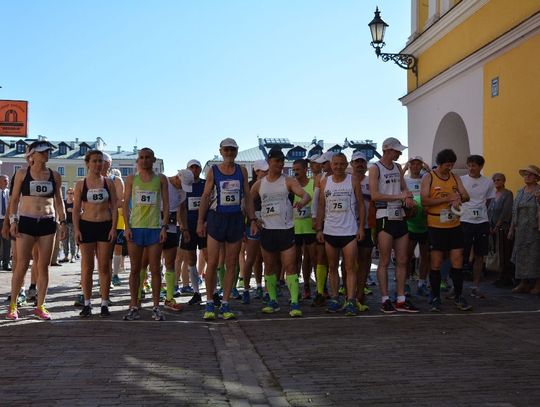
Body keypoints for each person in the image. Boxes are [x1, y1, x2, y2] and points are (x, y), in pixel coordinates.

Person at [6, 140, 67, 321]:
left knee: (43, 267)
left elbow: (59, 200)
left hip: (47, 223)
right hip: (26, 221)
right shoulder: (22, 174)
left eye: (48, 151)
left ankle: (40, 305)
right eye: (42, 152)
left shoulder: (54, 175)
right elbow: (15, 199)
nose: (46, 155)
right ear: (32, 155)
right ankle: (13, 305)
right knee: (22, 265)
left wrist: (62, 222)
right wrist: (13, 221)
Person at [197, 138, 256, 320]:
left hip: (236, 220)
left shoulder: (242, 171)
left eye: (232, 150)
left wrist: (252, 219)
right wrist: (200, 221)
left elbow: (247, 196)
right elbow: (206, 196)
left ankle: (225, 302)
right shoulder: (213, 171)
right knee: (213, 263)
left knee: (231, 264)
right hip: (217, 219)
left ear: (236, 152)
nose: (229, 153)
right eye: (226, 150)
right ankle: (209, 302)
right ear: (221, 151)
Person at [250, 147, 311, 317]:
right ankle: (273, 301)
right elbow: (247, 199)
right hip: (268, 230)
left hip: (285, 230)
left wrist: (302, 202)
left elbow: (306, 195)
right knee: (269, 266)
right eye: (277, 161)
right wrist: (254, 218)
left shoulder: (288, 181)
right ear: (269, 162)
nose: (280, 163)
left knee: (290, 266)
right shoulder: (260, 183)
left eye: (282, 161)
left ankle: (294, 302)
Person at [369, 137, 418, 313]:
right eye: (397, 151)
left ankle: (401, 298)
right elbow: (375, 195)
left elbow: (404, 189)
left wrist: (409, 198)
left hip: (399, 216)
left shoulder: (398, 167)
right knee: (384, 260)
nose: (400, 153)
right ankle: (384, 299)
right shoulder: (375, 168)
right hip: (384, 216)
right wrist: (399, 197)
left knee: (403, 259)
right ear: (387, 150)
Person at [420, 148, 472, 312]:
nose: (449, 168)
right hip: (436, 226)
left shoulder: (455, 178)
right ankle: (435, 296)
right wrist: (446, 198)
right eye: (446, 165)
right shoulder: (429, 177)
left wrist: (458, 198)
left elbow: (466, 196)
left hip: (454, 225)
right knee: (435, 262)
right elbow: (424, 201)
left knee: (457, 260)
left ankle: (458, 296)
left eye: (451, 165)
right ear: (439, 164)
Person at [123, 148, 169, 321]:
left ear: (153, 160)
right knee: (135, 269)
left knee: (155, 269)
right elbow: (125, 203)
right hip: (136, 228)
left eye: (147, 157)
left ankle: (156, 307)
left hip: (154, 229)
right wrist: (127, 227)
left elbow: (166, 203)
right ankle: (134, 305)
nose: (143, 160)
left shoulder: (161, 179)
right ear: (137, 160)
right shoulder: (131, 179)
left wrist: (164, 227)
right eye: (141, 157)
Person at [316, 152, 364, 315]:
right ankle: (335, 298)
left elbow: (361, 205)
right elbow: (321, 206)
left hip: (349, 231)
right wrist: (319, 228)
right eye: (335, 164)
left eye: (342, 164)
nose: (338, 167)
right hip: (330, 231)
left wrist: (361, 227)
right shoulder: (325, 182)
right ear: (331, 164)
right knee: (332, 266)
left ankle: (350, 300)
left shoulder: (353, 180)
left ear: (346, 165)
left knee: (350, 267)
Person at [72, 150, 118, 317]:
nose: (98, 164)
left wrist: (113, 228)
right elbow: (76, 209)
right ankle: (87, 303)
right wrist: (76, 229)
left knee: (104, 266)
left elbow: (114, 207)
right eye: (95, 161)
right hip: (87, 226)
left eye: (101, 161)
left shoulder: (109, 183)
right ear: (88, 163)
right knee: (87, 266)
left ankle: (104, 303)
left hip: (105, 225)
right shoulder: (80, 184)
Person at [460, 155, 496, 298]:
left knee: (480, 255)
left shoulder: (488, 182)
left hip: (482, 222)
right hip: (465, 221)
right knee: (461, 255)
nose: (471, 168)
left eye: (474, 165)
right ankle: (457, 287)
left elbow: (488, 200)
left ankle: (475, 286)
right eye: (469, 165)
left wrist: (480, 212)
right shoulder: (461, 180)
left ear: (481, 167)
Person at [162, 169, 193, 312]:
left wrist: (185, 229)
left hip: (172, 228)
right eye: (182, 184)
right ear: (177, 177)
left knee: (170, 263)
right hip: (154, 226)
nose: (182, 188)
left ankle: (169, 297)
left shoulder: (182, 192)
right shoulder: (162, 181)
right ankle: (138, 295)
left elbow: (181, 211)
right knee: (149, 262)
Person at [508, 165, 540, 294]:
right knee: (521, 256)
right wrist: (511, 229)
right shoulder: (520, 191)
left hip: (535, 229)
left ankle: (538, 283)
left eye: (530, 174)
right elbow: (514, 211)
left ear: (537, 177)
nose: (527, 176)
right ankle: (524, 283)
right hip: (521, 229)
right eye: (526, 174)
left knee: (535, 256)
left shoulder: (538, 191)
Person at [180, 159, 208, 306]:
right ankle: (196, 292)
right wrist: (183, 227)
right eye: (192, 168)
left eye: (197, 167)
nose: (194, 170)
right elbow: (181, 208)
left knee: (211, 259)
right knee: (191, 260)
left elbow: (210, 205)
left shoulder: (205, 184)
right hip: (189, 227)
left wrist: (206, 222)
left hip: (204, 226)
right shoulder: (185, 186)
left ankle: (213, 292)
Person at [240, 159, 267, 304]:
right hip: (252, 225)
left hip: (269, 223)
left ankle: (264, 288)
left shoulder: (272, 184)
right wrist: (244, 228)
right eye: (263, 170)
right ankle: (245, 289)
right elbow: (244, 208)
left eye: (267, 170)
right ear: (256, 171)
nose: (266, 173)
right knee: (251, 258)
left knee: (265, 259)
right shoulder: (249, 186)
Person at [403, 156, 430, 296]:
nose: (415, 166)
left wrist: (428, 168)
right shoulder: (405, 180)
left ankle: (422, 282)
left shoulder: (426, 178)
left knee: (425, 256)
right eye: (412, 164)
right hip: (410, 223)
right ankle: (406, 283)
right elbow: (397, 180)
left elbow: (433, 178)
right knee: (407, 256)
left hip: (425, 222)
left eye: (418, 164)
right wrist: (404, 168)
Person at [310, 151, 334, 306]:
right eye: (321, 163)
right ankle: (320, 291)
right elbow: (315, 201)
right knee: (321, 257)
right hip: (324, 221)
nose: (321, 166)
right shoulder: (320, 178)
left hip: (341, 223)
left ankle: (339, 291)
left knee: (338, 259)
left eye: (324, 163)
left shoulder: (346, 176)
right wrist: (315, 219)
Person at [350, 151, 372, 312]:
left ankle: (360, 294)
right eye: (356, 162)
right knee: (349, 262)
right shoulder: (346, 180)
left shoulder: (372, 180)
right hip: (348, 227)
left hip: (367, 226)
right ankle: (349, 295)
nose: (359, 165)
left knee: (365, 260)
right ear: (351, 164)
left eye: (362, 162)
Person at [292, 158, 316, 300]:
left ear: (305, 169)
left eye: (298, 170)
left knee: (311, 258)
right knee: (295, 260)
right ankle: (295, 288)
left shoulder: (313, 184)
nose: (295, 172)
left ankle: (307, 284)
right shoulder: (291, 185)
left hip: (310, 227)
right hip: (295, 228)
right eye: (294, 170)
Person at [487, 173, 514, 286]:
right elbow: (488, 211)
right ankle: (499, 276)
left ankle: (506, 277)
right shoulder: (492, 195)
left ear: (504, 181)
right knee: (497, 253)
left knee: (504, 253)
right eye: (494, 180)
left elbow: (506, 212)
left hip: (503, 228)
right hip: (492, 228)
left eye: (499, 180)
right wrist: (489, 226)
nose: (497, 182)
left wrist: (497, 226)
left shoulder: (507, 194)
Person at [61, 187, 76, 263]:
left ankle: (73, 256)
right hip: (65, 223)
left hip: (73, 224)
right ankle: (66, 256)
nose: (70, 195)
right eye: (68, 193)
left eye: (72, 193)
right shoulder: (64, 202)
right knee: (64, 240)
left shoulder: (76, 203)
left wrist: (73, 210)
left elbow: (81, 212)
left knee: (72, 240)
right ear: (66, 194)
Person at [0, 175, 11, 271]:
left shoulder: (9, 193)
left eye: (7, 180)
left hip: (6, 221)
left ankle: (6, 264)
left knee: (7, 243)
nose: (7, 182)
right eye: (4, 180)